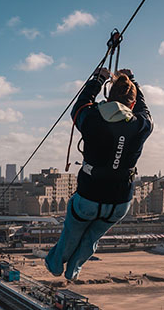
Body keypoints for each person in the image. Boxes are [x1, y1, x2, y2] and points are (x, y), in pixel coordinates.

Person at [46, 67, 153, 281]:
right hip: (119, 202)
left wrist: (98, 78)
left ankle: (56, 265)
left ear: (109, 98)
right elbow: (144, 109)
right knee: (92, 238)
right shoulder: (141, 126)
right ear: (131, 104)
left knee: (72, 234)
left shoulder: (92, 119)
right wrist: (133, 81)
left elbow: (79, 105)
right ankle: (73, 270)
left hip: (89, 196)